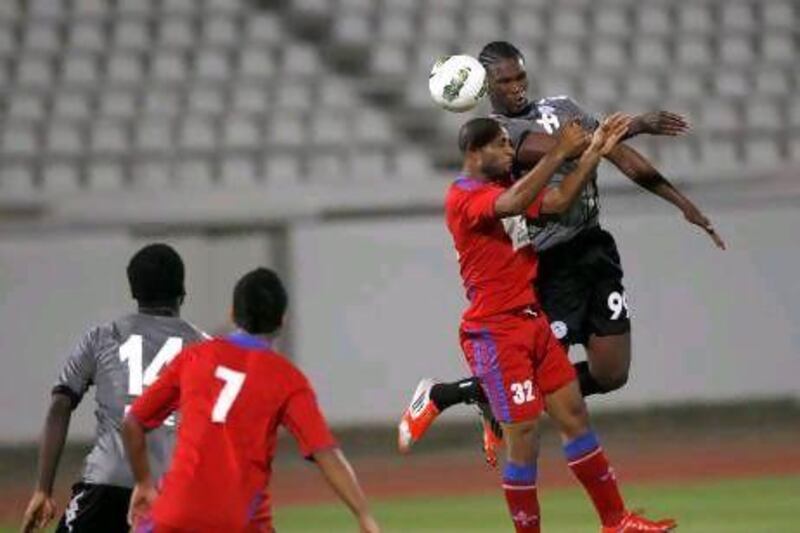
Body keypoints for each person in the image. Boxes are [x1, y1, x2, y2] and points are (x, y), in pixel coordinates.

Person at [399, 40, 725, 457]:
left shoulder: (563, 106)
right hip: (550, 263)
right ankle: (450, 394)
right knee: (535, 373)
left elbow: (620, 157)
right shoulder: (501, 136)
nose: (516, 86)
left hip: (595, 247)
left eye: (520, 76)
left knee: (611, 372)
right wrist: (637, 122)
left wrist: (684, 205)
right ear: (486, 86)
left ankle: (491, 399)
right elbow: (572, 149)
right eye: (505, 80)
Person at [428, 115, 674, 532]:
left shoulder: (505, 188)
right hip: (496, 330)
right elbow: (510, 206)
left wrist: (593, 153)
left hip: (532, 321)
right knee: (524, 439)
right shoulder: (463, 196)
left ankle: (616, 521)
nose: (510, 151)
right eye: (501, 145)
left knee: (574, 412)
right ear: (474, 152)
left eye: (511, 143)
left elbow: (558, 201)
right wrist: (559, 149)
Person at [122, 268, 380, 533]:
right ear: (282, 320)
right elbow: (326, 452)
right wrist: (363, 514)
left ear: (232, 313)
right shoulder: (288, 379)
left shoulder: (194, 357)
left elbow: (132, 423)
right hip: (240, 522)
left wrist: (143, 481)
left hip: (173, 515)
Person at [21, 244, 207, 533]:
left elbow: (60, 404)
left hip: (105, 484)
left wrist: (43, 490)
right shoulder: (205, 348)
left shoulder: (102, 337)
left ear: (133, 292)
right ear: (183, 292)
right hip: (174, 490)